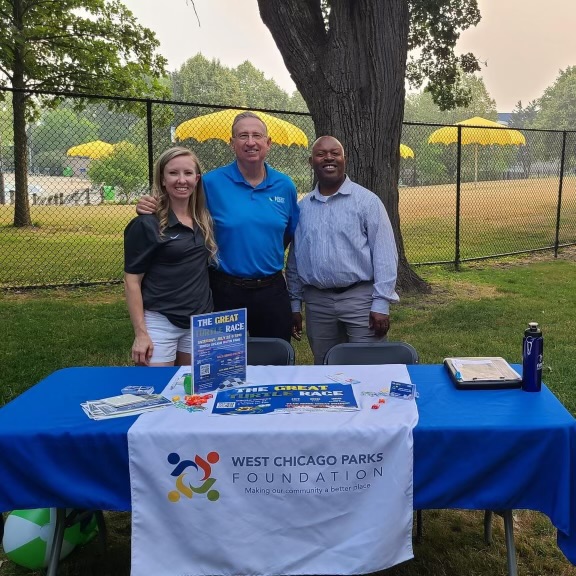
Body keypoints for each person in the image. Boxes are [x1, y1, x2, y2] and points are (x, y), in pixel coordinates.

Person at [136, 112, 299, 342]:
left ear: (268, 143)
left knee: (274, 362)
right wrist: (151, 204)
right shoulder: (210, 183)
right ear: (232, 143)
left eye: (257, 136)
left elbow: (287, 234)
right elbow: (180, 204)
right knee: (222, 363)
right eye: (243, 136)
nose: (250, 142)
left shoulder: (285, 186)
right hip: (224, 289)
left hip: (271, 289)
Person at [286, 136, 399, 364]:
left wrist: (381, 304)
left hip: (360, 300)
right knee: (326, 368)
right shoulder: (303, 209)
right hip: (317, 304)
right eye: (321, 154)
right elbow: (295, 261)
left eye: (335, 153)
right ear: (311, 161)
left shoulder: (367, 202)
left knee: (369, 365)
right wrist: (295, 304)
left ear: (344, 159)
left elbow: (385, 255)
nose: (329, 157)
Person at [124, 147, 217, 366]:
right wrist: (141, 333)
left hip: (199, 322)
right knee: (155, 394)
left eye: (187, 173)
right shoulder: (147, 223)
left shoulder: (203, 220)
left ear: (197, 178)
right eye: (173, 173)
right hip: (160, 321)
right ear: (162, 179)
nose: (181, 180)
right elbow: (131, 281)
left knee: (195, 394)